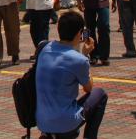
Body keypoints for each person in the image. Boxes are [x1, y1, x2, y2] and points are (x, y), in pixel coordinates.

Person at [35, 11, 108, 139]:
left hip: (42, 120)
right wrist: (84, 55)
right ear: (79, 33)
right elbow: (88, 88)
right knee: (100, 94)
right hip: (65, 123)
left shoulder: (45, 49)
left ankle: (48, 134)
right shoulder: (79, 59)